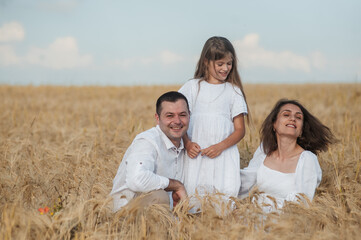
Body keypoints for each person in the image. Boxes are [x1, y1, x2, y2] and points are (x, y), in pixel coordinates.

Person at [179, 36, 249, 198]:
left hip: (224, 156)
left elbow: (240, 130)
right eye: (220, 64)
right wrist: (188, 143)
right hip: (195, 156)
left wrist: (220, 147)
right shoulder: (192, 88)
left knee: (223, 198)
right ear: (206, 61)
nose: (226, 68)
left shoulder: (234, 91)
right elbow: (179, 121)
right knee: (193, 197)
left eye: (229, 63)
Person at [239, 99, 336, 213]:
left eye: (298, 117)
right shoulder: (264, 152)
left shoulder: (307, 159)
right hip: (253, 219)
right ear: (274, 124)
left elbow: (302, 203)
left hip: (285, 223)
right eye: (286, 114)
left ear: (300, 131)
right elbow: (243, 183)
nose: (293, 119)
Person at [110, 91, 190, 212]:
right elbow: (137, 180)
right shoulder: (147, 141)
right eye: (170, 116)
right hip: (125, 215)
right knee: (159, 197)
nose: (177, 121)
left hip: (165, 216)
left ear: (190, 115)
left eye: (182, 115)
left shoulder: (187, 146)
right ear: (157, 118)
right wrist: (176, 185)